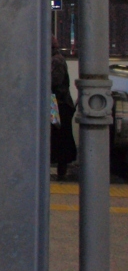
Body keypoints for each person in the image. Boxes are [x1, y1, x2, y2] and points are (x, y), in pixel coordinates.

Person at [51, 36, 77, 178]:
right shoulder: (56, 59)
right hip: (60, 104)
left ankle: (62, 172)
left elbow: (54, 82)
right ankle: (61, 170)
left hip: (59, 104)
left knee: (60, 138)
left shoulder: (56, 61)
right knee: (61, 138)